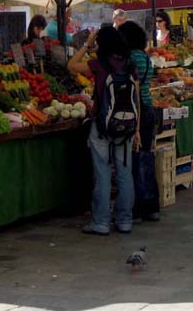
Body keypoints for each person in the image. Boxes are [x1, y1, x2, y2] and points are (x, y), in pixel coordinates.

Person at [68, 26, 139, 235]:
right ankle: (125, 220)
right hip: (126, 126)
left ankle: (101, 222)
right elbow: (136, 99)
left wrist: (86, 44)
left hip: (101, 127)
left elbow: (71, 66)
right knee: (125, 174)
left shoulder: (99, 64)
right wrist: (137, 129)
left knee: (103, 174)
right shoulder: (129, 64)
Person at [118, 20, 160, 222]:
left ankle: (137, 208)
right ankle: (151, 205)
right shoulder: (145, 57)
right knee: (147, 157)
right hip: (149, 108)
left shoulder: (129, 58)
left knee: (134, 159)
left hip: (135, 110)